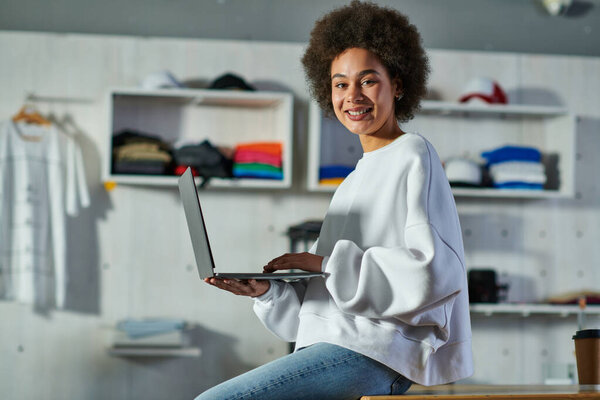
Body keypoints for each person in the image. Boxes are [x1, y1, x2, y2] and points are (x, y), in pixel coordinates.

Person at [195, 1, 473, 399]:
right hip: (340, 348)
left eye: (368, 80)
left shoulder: (413, 153)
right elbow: (323, 306)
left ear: (398, 83)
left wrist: (326, 263)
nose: (352, 95)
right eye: (340, 83)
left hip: (375, 355)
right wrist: (268, 291)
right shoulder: (354, 179)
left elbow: (433, 272)